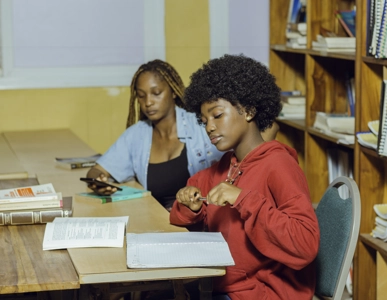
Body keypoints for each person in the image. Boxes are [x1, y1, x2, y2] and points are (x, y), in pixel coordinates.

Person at [169, 54, 320, 300]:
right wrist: (190, 205)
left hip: (261, 294)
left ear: (248, 110)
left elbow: (305, 245)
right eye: (204, 120)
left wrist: (243, 199)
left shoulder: (279, 165)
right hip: (223, 285)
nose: (209, 127)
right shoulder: (227, 165)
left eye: (217, 116)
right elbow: (185, 205)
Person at [86, 59, 280, 211]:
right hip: (164, 219)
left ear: (172, 92)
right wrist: (98, 182)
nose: (148, 102)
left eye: (156, 93)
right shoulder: (137, 135)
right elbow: (96, 171)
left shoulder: (202, 123)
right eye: (141, 95)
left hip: (203, 218)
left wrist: (250, 170)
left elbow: (269, 128)